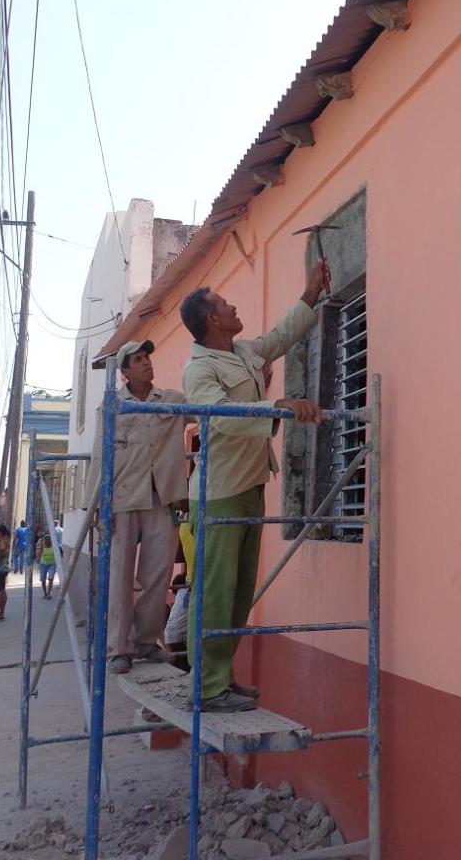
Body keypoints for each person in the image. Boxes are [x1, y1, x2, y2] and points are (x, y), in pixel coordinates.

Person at [178, 258, 326, 713]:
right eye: (225, 304)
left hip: (249, 486)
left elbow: (280, 337)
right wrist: (277, 405)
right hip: (218, 493)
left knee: (239, 593)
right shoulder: (198, 370)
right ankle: (206, 687)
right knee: (216, 592)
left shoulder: (241, 352)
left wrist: (311, 293)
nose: (234, 307)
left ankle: (221, 677)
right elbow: (221, 418)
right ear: (212, 319)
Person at [85, 339, 192, 676]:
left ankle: (146, 642)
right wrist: (96, 505)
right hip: (122, 498)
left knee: (157, 575)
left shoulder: (172, 400)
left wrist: (251, 392)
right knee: (119, 576)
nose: (147, 362)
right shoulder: (113, 404)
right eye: (138, 359)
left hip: (162, 497)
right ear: (125, 372)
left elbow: (208, 409)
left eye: (147, 357)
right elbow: (100, 453)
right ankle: (118, 649)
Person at [36, 533, 57, 599]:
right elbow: (39, 553)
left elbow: (58, 554)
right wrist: (38, 559)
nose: (46, 542)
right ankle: (45, 593)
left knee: (51, 578)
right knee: (43, 579)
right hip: (43, 564)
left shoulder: (54, 546)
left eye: (48, 540)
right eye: (45, 540)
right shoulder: (42, 546)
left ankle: (49, 593)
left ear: (50, 541)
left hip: (52, 564)